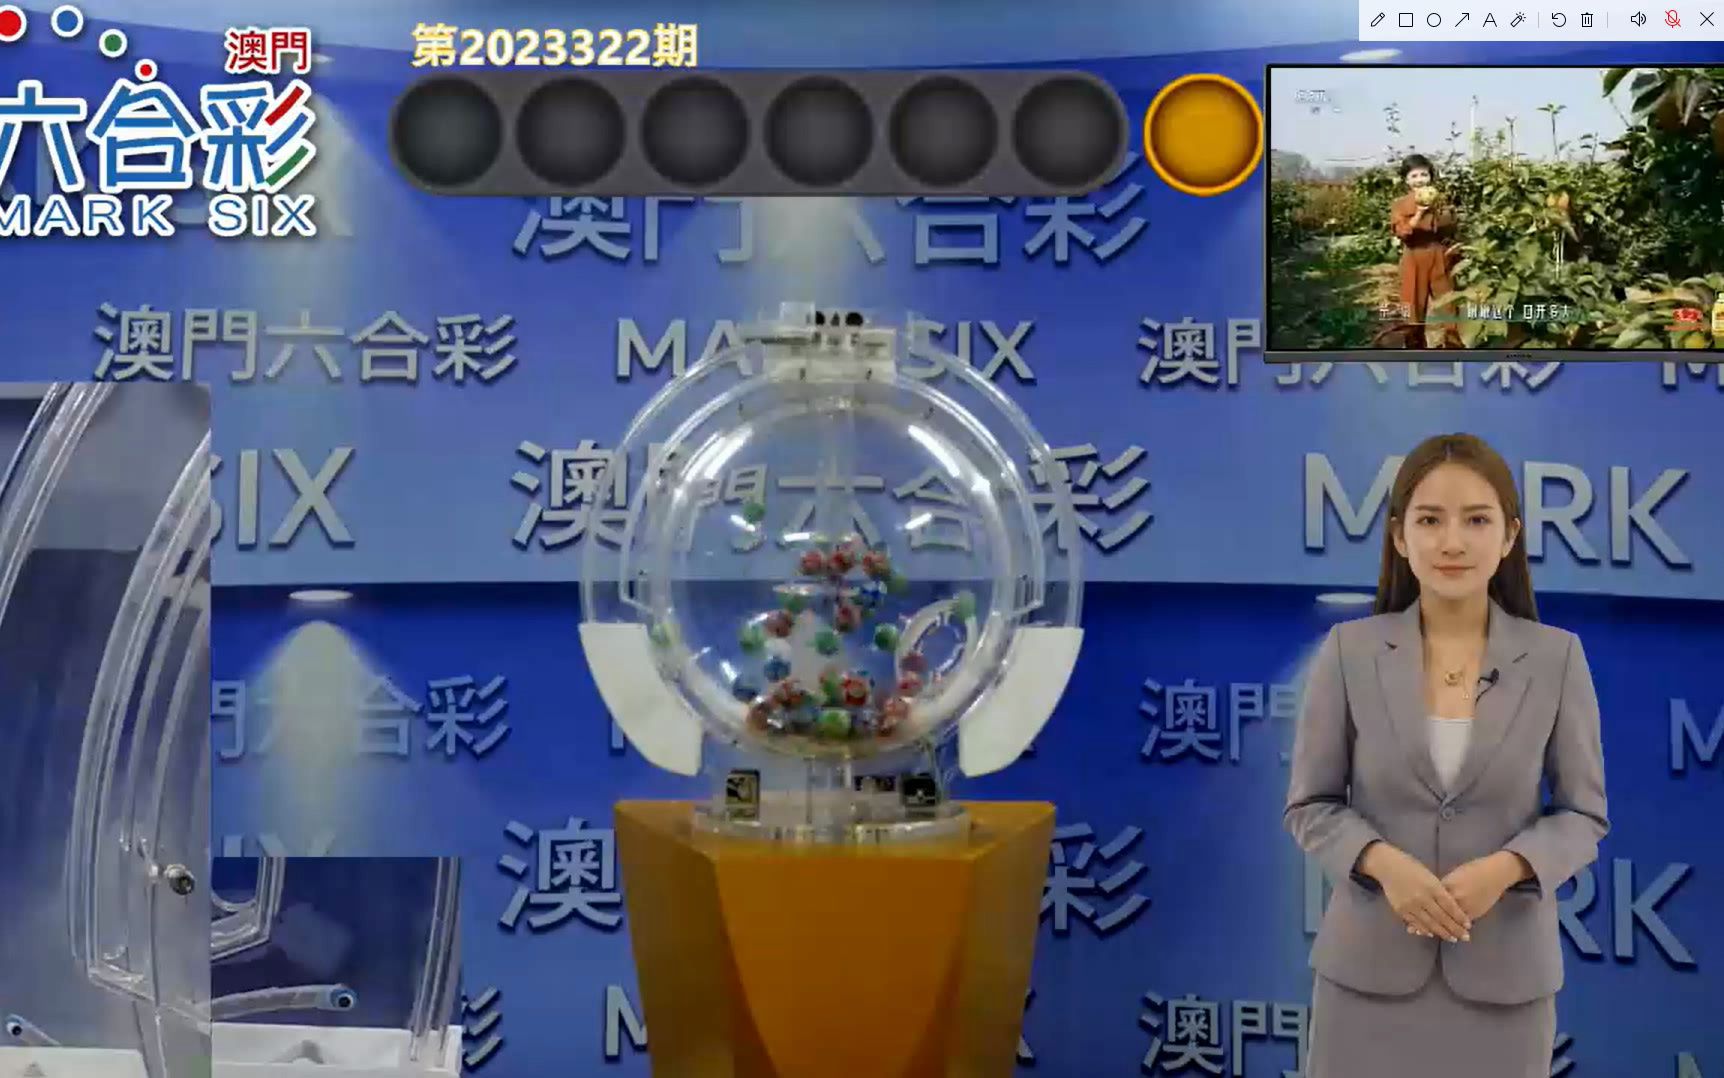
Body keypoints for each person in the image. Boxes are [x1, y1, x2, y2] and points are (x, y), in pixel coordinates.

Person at [1284, 433, 1609, 1078]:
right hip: (1366, 979)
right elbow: (1311, 805)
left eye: (1477, 520)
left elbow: (1583, 815)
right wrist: (1384, 866)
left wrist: (1508, 868)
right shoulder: (1348, 652)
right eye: (1430, 520)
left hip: (1506, 982)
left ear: (1510, 535)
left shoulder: (1557, 658)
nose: (1452, 542)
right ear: (1400, 537)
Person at [1389, 154, 1462, 348]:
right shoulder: (1401, 204)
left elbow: (1450, 226)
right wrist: (1420, 212)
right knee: (1412, 305)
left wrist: (1444, 216)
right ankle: (1414, 346)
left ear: (1430, 177)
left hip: (1439, 254)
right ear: (1406, 180)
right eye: (1414, 176)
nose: (1420, 180)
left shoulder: (1440, 200)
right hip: (1414, 256)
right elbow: (1402, 231)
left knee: (1448, 301)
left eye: (1424, 174)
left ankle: (1453, 345)